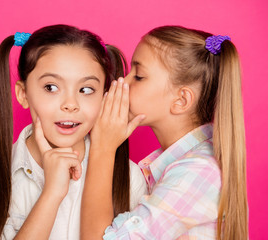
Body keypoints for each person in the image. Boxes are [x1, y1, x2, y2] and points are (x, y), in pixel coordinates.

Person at [0, 24, 147, 240]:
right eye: (51, 87)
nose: (70, 104)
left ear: (104, 97)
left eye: (86, 90)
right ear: (23, 94)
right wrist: (52, 193)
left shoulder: (129, 178)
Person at [81, 25, 248, 239]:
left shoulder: (196, 173)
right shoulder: (176, 165)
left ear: (181, 100)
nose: (123, 81)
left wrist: (102, 149)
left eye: (139, 76)